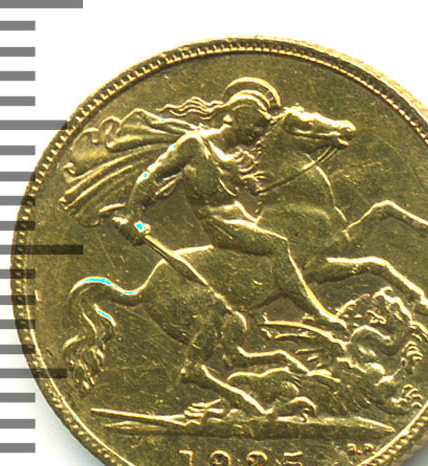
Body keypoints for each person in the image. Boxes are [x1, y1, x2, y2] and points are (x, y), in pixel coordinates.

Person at [112, 78, 346, 328]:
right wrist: (131, 216)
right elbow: (152, 175)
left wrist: (247, 182)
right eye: (256, 124)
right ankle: (316, 312)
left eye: (262, 126)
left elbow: (224, 185)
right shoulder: (195, 144)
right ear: (236, 118)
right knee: (278, 245)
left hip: (239, 217)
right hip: (218, 224)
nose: (258, 132)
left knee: (281, 245)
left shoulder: (233, 155)